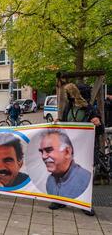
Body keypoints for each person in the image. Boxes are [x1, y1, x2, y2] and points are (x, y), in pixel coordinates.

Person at [48, 83, 103, 216]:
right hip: (69, 149)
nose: (68, 97)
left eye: (70, 94)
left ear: (77, 94)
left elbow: (100, 130)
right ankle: (61, 200)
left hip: (85, 150)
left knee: (84, 176)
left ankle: (84, 203)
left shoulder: (90, 110)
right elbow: (66, 124)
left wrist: (98, 124)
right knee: (63, 174)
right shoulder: (69, 107)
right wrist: (59, 121)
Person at [39, 129, 90, 199]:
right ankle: (57, 202)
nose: (43, 156)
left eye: (49, 150)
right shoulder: (50, 181)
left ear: (67, 152)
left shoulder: (85, 179)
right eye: (41, 152)